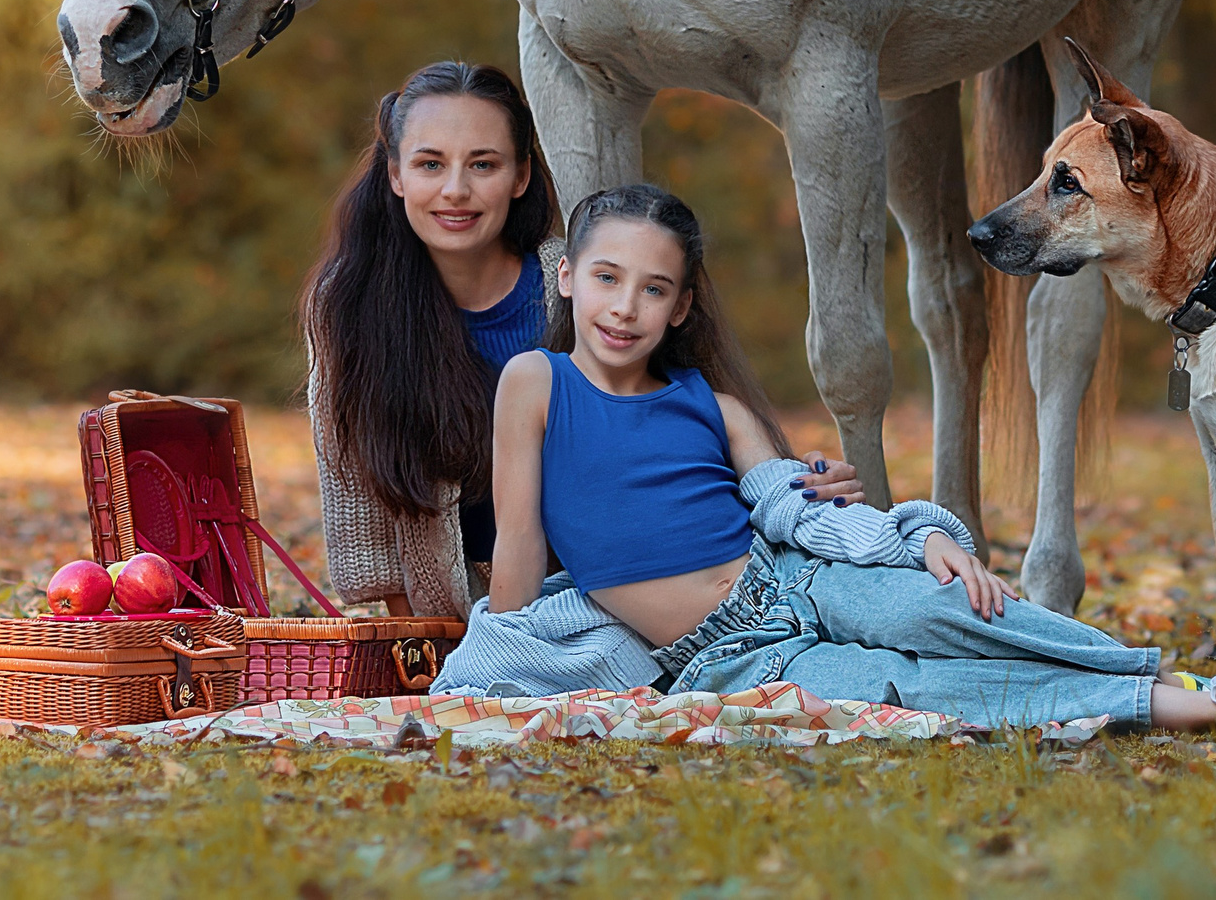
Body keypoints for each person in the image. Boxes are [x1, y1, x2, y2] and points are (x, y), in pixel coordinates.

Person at [437, 182, 1216, 733]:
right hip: (733, 659)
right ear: (566, 277)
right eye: (606, 278)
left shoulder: (709, 402)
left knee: (953, 609)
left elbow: (799, 511)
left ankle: (1212, 688)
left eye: (653, 287)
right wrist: (499, 650)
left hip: (795, 578)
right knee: (910, 686)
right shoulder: (535, 380)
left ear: (680, 307)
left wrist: (922, 539)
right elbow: (517, 534)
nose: (624, 305)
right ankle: (1185, 706)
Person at [303, 63, 862, 619]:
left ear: (520, 176)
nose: (456, 190)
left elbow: (692, 422)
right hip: (458, 615)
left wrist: (790, 482)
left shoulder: (580, 282)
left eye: (483, 164)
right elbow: (357, 497)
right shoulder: (348, 306)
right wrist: (424, 636)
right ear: (396, 175)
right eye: (430, 164)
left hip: (635, 591)